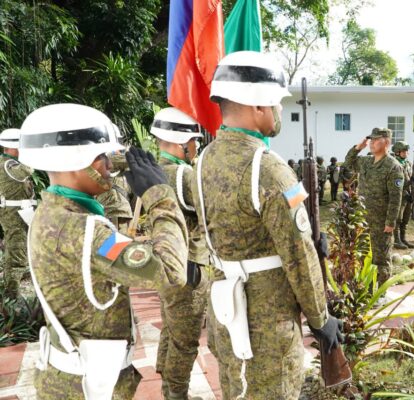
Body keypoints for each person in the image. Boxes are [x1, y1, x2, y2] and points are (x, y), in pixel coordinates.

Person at [192, 51, 342, 400]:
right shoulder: (269, 169)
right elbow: (299, 255)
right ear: (258, 106)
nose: (279, 112)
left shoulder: (203, 161)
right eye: (276, 103)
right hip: (267, 329)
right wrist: (321, 319)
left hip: (227, 316)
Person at [20, 103, 188, 399]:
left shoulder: (52, 214)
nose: (110, 164)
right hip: (87, 386)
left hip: (75, 380)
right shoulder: (84, 231)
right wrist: (160, 196)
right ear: (74, 160)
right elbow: (171, 272)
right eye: (101, 157)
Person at [150, 107, 211, 400]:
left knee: (170, 330)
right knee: (185, 341)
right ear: (181, 143)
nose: (197, 146)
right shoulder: (185, 175)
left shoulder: (151, 172)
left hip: (163, 263)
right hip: (190, 266)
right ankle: (175, 394)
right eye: (194, 141)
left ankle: (166, 382)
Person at [345, 128, 403, 285]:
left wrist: (390, 222)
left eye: (376, 140)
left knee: (381, 258)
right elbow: (348, 163)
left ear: (387, 142)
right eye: (371, 139)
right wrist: (358, 148)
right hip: (362, 220)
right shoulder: (366, 161)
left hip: (380, 222)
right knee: (363, 255)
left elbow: (395, 197)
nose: (372, 143)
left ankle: (381, 291)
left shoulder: (393, 166)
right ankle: (366, 288)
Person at [0, 128, 36, 298]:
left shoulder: (8, 163)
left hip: (18, 212)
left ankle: (11, 294)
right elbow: (28, 170)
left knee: (16, 251)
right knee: (16, 255)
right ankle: (12, 296)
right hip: (14, 215)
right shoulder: (8, 165)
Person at [96, 125, 133, 234]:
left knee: (120, 242)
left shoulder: (111, 156)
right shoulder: (107, 156)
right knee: (114, 243)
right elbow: (130, 159)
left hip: (120, 207)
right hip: (113, 207)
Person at [391, 141, 414, 249]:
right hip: (400, 195)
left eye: (406, 151)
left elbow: (410, 177)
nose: (406, 153)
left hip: (409, 194)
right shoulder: (395, 164)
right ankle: (396, 240)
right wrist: (407, 187)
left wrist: (412, 183)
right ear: (397, 152)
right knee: (398, 218)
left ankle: (403, 238)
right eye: (404, 151)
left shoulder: (408, 163)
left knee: (406, 218)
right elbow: (397, 183)